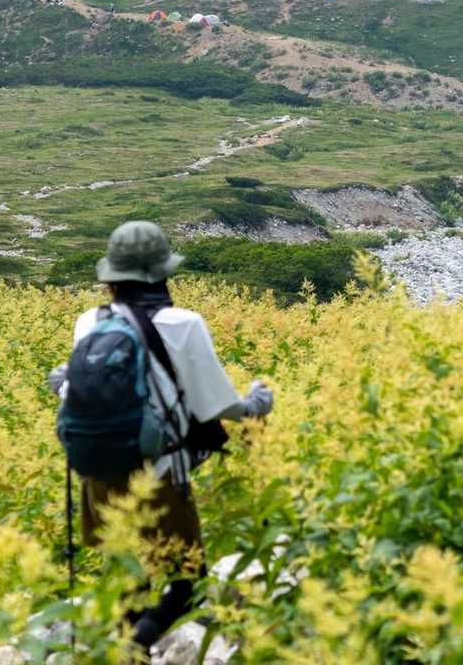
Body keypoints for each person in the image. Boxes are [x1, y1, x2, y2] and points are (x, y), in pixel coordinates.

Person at [50, 222, 273, 651]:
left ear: (112, 276)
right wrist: (255, 404)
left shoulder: (89, 321)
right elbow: (217, 406)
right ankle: (137, 648)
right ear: (162, 272)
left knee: (130, 578)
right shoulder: (182, 323)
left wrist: (60, 385)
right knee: (186, 583)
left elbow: (77, 390)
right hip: (159, 473)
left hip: (98, 473)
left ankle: (125, 648)